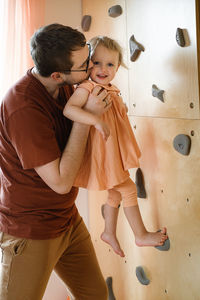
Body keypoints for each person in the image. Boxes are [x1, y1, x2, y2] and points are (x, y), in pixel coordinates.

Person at [0, 24, 111, 300]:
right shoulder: (23, 107)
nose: (91, 66)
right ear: (57, 74)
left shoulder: (66, 88)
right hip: (30, 229)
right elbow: (60, 182)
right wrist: (86, 118)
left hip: (66, 219)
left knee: (95, 295)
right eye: (85, 64)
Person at [64, 36, 168, 258]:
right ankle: (140, 234)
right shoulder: (87, 87)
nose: (103, 69)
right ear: (88, 65)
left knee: (115, 191)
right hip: (101, 151)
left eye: (110, 64)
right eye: (97, 63)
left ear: (118, 67)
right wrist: (95, 120)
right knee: (128, 189)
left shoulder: (110, 88)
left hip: (112, 149)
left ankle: (108, 232)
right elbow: (69, 110)